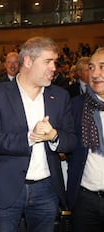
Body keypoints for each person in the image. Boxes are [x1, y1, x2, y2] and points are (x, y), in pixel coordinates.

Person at [0, 37, 77, 232]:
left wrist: (54, 136)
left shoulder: (60, 96)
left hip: (47, 191)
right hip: (6, 189)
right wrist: (29, 137)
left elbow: (72, 141)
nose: (54, 68)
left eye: (55, 62)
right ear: (28, 61)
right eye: (48, 61)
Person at [67, 47, 104, 232]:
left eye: (102, 67)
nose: (95, 74)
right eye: (91, 67)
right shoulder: (76, 106)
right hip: (85, 201)